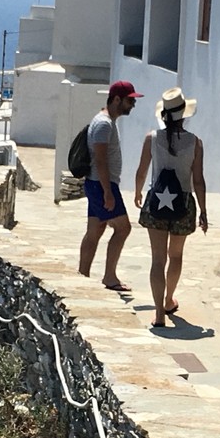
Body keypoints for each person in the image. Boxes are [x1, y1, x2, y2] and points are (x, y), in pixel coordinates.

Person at [134, 87, 209, 325]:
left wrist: (137, 192)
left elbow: (142, 170)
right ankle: (168, 299)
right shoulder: (195, 143)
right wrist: (204, 211)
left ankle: (158, 314)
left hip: (156, 201)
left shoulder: (152, 139)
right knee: (175, 255)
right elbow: (198, 180)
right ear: (184, 114)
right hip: (184, 203)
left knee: (157, 259)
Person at [77, 81, 139, 291]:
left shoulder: (103, 121)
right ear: (116, 100)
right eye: (130, 101)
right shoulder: (104, 124)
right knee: (123, 228)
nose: (132, 105)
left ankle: (82, 275)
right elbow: (101, 160)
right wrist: (107, 193)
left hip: (96, 184)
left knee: (95, 231)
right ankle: (110, 277)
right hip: (102, 185)